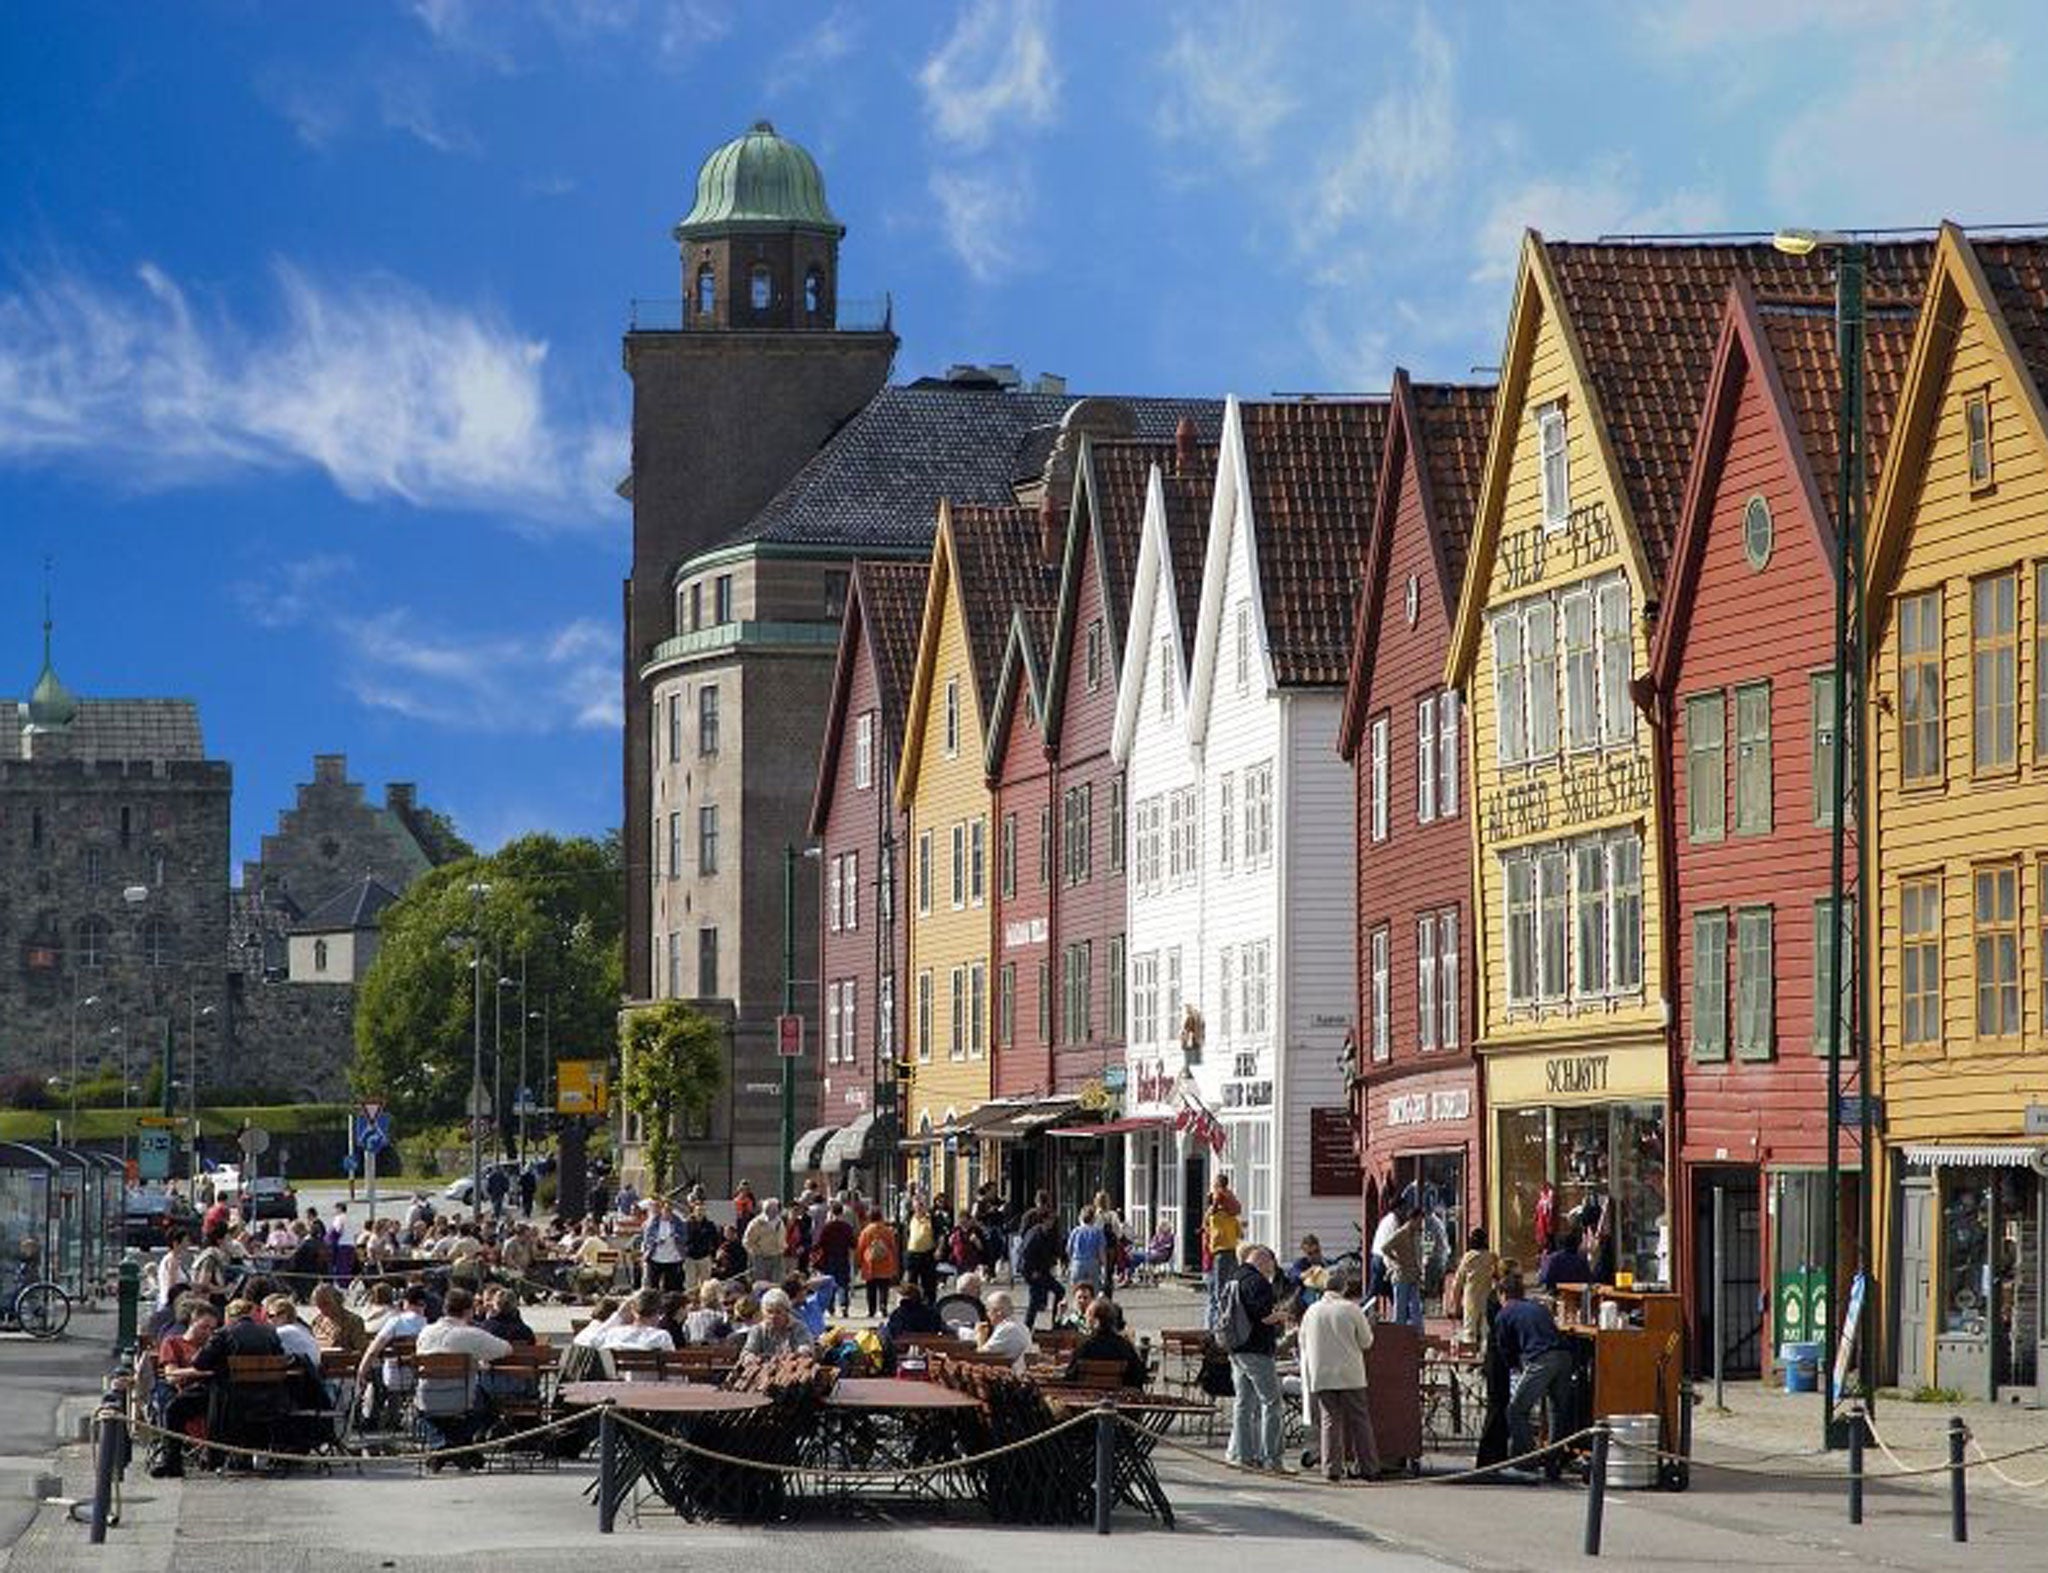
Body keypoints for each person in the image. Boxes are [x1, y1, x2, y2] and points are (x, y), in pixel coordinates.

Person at [415, 1287, 512, 1465]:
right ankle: (456, 1447)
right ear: (468, 1311)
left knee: (434, 1414)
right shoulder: (470, 1334)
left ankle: (445, 1446)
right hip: (460, 1399)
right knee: (486, 1399)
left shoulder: (425, 1332)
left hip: (426, 1399)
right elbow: (506, 1348)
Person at [1298, 1272, 1380, 1481]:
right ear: (1344, 1289)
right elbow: (1366, 1342)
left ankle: (1331, 1468)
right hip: (1350, 1373)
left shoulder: (1312, 1311)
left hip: (1322, 1373)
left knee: (1329, 1421)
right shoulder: (1351, 1309)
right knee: (1359, 1420)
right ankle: (1368, 1467)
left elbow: (1303, 1340)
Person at [1495, 1270, 1571, 1476]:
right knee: (1556, 1411)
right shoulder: (1538, 1307)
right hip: (1564, 1355)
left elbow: (1505, 1349)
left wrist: (1515, 1368)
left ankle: (1527, 1457)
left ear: (1502, 1294)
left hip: (1540, 1359)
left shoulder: (1505, 1313)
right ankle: (1554, 1460)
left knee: (1516, 1410)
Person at [1221, 1247, 1285, 1471]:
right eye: (1271, 1265)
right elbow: (1264, 1316)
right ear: (1264, 1260)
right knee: (1272, 1402)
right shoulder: (1258, 1283)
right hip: (1257, 1349)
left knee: (1243, 1404)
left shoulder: (1234, 1278)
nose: (1271, 1271)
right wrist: (1280, 1316)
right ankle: (1272, 1459)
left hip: (1236, 1347)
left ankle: (1244, 1456)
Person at [1064, 1295, 1147, 1388]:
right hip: (1119, 1398)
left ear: (1093, 1321)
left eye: (1087, 1317)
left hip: (1088, 1398)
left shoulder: (1085, 1347)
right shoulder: (1124, 1346)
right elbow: (1139, 1376)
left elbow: (1070, 1378)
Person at [1445, 1227, 1500, 1352]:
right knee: (1486, 1329)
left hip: (1471, 1297)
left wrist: (1454, 1302)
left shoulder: (1468, 1257)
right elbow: (1497, 1277)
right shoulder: (1492, 1257)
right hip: (1487, 1297)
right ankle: (1485, 1356)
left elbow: (1458, 1282)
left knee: (1470, 1329)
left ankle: (1470, 1355)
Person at [1203, 1176, 1243, 1331]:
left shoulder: (1223, 1212)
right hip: (1224, 1251)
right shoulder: (1221, 1212)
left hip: (1224, 1251)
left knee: (1219, 1291)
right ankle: (1217, 1326)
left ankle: (1216, 1327)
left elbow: (1235, 1209)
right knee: (1220, 1291)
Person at [1378, 1203, 1424, 1331]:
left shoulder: (1416, 1234)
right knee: (1400, 1309)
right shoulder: (1401, 1233)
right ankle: (1398, 1335)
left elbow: (1417, 1254)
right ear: (1412, 1219)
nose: (1421, 1224)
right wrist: (1395, 1261)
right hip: (1401, 1275)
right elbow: (1385, 1248)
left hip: (1413, 1275)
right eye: (1419, 1221)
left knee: (1416, 1307)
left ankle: (1419, 1333)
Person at [1016, 1209, 1064, 1329]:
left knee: (1059, 1291)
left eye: (1053, 1220)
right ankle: (1027, 1327)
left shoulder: (1050, 1232)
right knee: (1035, 1299)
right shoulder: (1034, 1234)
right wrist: (1031, 1272)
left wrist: (1059, 1260)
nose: (1052, 1222)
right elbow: (1024, 1253)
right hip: (1032, 1270)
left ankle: (1055, 1322)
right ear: (1043, 1220)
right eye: (1049, 1219)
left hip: (1043, 1270)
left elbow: (1055, 1250)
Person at [741, 1288, 813, 1359]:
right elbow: (747, 1352)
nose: (773, 1316)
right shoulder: (758, 1330)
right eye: (769, 1312)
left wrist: (803, 1350)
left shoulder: (798, 1327)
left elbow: (806, 1345)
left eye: (778, 1312)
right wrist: (750, 1357)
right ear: (763, 1313)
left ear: (786, 1312)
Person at [598, 1288, 676, 1353]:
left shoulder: (614, 1334)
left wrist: (619, 1315)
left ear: (633, 1310)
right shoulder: (662, 1337)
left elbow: (592, 1340)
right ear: (657, 1312)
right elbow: (671, 1365)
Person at [975, 1289, 1033, 1373]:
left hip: (1013, 1375)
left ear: (999, 1312)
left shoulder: (1007, 1329)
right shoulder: (1021, 1326)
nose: (987, 1314)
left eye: (988, 1310)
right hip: (1016, 1370)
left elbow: (982, 1356)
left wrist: (980, 1337)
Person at [813, 1201, 856, 1313]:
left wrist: (813, 1251)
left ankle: (830, 1305)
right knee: (843, 1282)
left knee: (830, 1281)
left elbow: (820, 1242)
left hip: (829, 1257)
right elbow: (853, 1243)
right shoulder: (847, 1227)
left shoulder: (827, 1227)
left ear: (831, 1212)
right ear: (842, 1213)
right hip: (843, 1256)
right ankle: (844, 1305)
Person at [856, 1210, 899, 1318]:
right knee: (884, 1287)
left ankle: (871, 1310)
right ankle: (883, 1306)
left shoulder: (866, 1231)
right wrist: (895, 1262)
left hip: (870, 1264)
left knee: (871, 1288)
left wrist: (859, 1262)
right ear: (881, 1217)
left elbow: (860, 1248)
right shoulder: (887, 1230)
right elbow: (893, 1247)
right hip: (885, 1263)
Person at [640, 1197, 686, 1293]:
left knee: (671, 1286)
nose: (667, 1213)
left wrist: (676, 1237)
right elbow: (647, 1238)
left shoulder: (678, 1222)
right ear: (661, 1210)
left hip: (673, 1258)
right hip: (656, 1257)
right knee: (653, 1286)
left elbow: (684, 1237)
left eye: (669, 1210)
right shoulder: (653, 1222)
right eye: (665, 1210)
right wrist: (656, 1241)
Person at [308, 1283, 368, 1356]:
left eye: (326, 1303)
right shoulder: (317, 1322)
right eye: (319, 1305)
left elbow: (362, 1351)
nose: (323, 1309)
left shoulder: (353, 1321)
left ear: (337, 1300)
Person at [884, 1281, 945, 1345]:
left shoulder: (898, 1314)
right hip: (928, 1345)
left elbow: (893, 1332)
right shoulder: (931, 1312)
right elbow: (940, 1328)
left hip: (904, 1347)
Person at [902, 1199, 939, 1302]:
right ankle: (912, 1303)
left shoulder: (931, 1218)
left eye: (921, 1205)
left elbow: (941, 1235)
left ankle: (930, 1304)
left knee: (929, 1283)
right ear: (913, 1207)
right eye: (917, 1206)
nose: (919, 1208)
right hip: (912, 1255)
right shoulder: (909, 1218)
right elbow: (905, 1235)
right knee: (911, 1283)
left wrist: (939, 1249)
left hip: (927, 1254)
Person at [744, 1200, 786, 1288]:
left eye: (775, 1209)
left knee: (777, 1284)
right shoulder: (756, 1223)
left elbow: (783, 1237)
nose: (774, 1211)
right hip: (761, 1258)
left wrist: (783, 1247)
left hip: (777, 1256)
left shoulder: (780, 1222)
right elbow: (747, 1241)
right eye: (770, 1209)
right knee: (761, 1284)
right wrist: (757, 1252)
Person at [683, 1202, 721, 1294]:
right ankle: (691, 1301)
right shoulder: (687, 1224)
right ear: (694, 1211)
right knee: (690, 1283)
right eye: (698, 1210)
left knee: (705, 1283)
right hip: (690, 1257)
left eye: (702, 1210)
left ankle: (704, 1301)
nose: (700, 1212)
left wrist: (713, 1254)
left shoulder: (710, 1225)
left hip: (704, 1256)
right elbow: (683, 1240)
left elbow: (716, 1241)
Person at [1067, 1207, 1107, 1292]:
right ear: (1093, 1219)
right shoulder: (1097, 1232)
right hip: (1093, 1262)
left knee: (1077, 1291)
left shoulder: (1075, 1231)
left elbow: (1068, 1249)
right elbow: (1101, 1251)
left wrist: (1071, 1262)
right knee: (1093, 1291)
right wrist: (1104, 1266)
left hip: (1077, 1262)